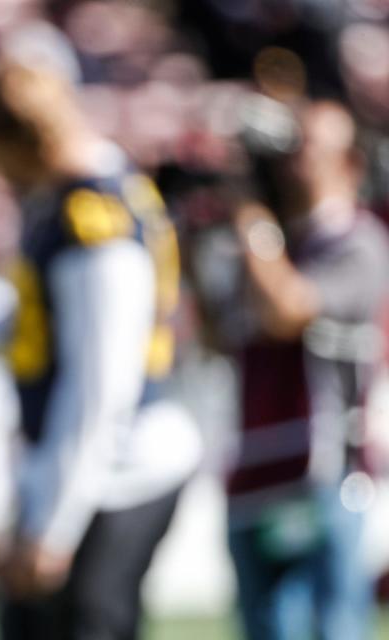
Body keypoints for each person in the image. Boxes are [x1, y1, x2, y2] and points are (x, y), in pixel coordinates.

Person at [0, 25, 201, 640]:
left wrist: (51, 527)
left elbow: (100, 389)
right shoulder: (98, 187)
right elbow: (24, 319)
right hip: (96, 466)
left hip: (117, 471)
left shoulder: (91, 219)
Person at [208, 99, 389, 640]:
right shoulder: (273, 245)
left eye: (307, 148)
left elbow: (288, 310)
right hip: (255, 469)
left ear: (350, 163)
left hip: (324, 468)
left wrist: (252, 226)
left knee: (331, 626)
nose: (291, 164)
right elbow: (222, 334)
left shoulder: (359, 241)